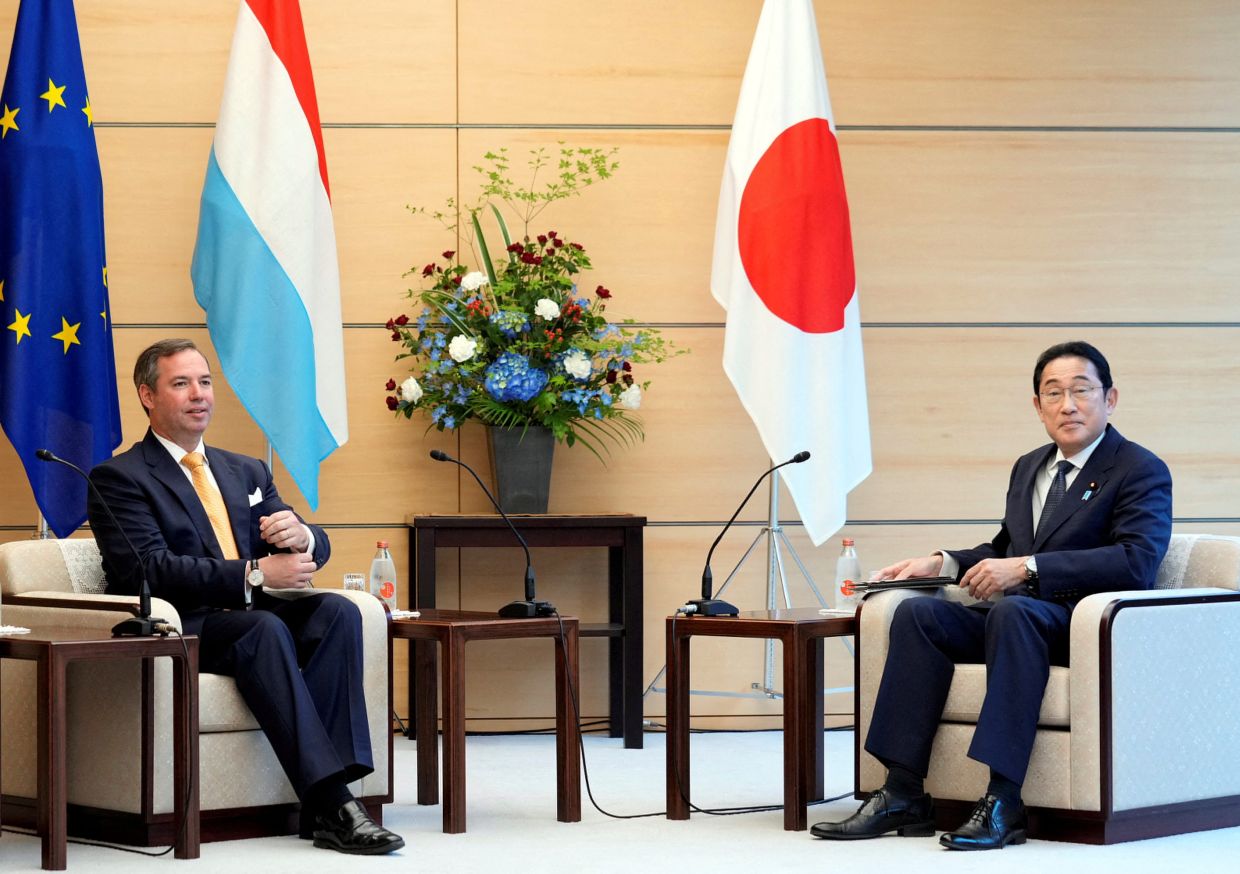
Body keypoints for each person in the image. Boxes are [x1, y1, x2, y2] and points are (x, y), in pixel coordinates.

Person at [811, 341, 1172, 851]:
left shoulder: (1138, 468)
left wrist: (1026, 569)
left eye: (1081, 390)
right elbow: (1007, 546)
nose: (1068, 404)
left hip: (1083, 626)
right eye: (1053, 393)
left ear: (1110, 398)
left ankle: (1004, 799)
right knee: (919, 615)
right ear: (1037, 406)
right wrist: (944, 563)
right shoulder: (1029, 467)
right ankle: (902, 792)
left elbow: (1137, 560)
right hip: (1019, 622)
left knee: (1014, 611)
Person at [88, 338, 404, 856]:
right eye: (181, 383)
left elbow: (311, 543)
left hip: (252, 613)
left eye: (205, 382)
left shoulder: (247, 470)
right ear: (147, 395)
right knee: (264, 628)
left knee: (337, 612)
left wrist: (303, 536)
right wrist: (255, 573)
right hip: (185, 623)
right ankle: (333, 802)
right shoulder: (120, 477)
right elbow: (147, 568)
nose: (199, 395)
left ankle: (328, 801)